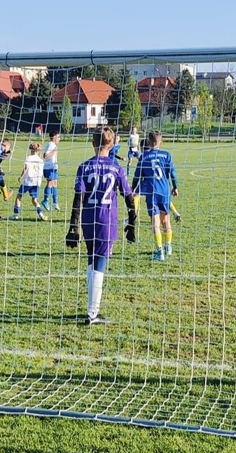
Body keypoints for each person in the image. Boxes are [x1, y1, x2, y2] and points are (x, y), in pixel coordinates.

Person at [66, 126, 138, 325]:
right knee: (100, 265)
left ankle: (91, 309)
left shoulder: (84, 166)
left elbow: (78, 198)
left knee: (91, 260)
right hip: (107, 221)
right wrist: (132, 223)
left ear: (92, 143)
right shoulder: (116, 168)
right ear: (113, 144)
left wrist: (74, 226)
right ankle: (92, 313)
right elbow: (129, 197)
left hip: (89, 221)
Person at [132, 130, 178, 260]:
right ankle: (168, 246)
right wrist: (175, 187)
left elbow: (137, 175)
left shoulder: (144, 157)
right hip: (165, 192)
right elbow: (173, 174)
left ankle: (159, 251)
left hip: (152, 193)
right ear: (161, 142)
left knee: (155, 223)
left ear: (148, 142)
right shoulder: (166, 155)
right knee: (166, 221)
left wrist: (133, 187)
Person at [11, 142, 46, 221]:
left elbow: (26, 168)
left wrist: (21, 176)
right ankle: (41, 214)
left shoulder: (29, 158)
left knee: (19, 196)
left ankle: (15, 215)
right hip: (37, 182)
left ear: (31, 149)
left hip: (28, 181)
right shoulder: (40, 160)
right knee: (34, 200)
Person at [40, 129, 61, 211]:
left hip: (54, 167)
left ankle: (55, 203)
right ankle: (45, 201)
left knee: (55, 184)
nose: (59, 139)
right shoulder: (51, 145)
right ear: (54, 137)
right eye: (58, 137)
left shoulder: (53, 145)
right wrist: (53, 151)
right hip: (49, 168)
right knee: (50, 183)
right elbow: (45, 156)